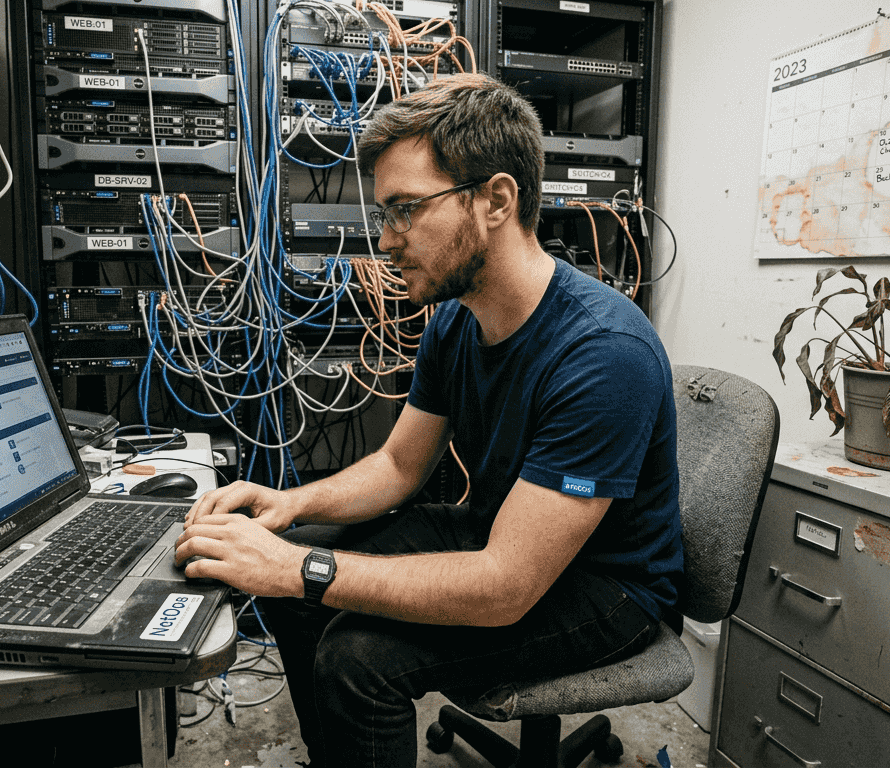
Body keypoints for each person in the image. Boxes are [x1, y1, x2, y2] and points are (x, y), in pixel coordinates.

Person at [175, 72, 683, 768]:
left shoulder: (604, 354)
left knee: (357, 656)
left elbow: (506, 586)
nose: (385, 241)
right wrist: (291, 508)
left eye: (406, 210)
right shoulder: (456, 320)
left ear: (496, 200)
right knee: (295, 589)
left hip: (606, 587)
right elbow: (399, 465)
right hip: (504, 531)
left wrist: (301, 566)